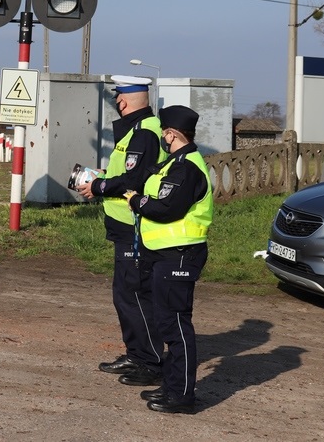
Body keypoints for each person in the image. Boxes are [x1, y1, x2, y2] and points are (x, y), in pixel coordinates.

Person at [75, 75, 166, 387]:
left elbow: (132, 181)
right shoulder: (143, 131)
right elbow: (128, 173)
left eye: (117, 98)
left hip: (135, 228)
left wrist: (98, 186)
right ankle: (138, 354)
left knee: (135, 295)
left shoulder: (143, 134)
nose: (117, 102)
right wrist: (103, 176)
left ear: (122, 101)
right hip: (128, 226)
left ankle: (149, 363)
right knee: (127, 294)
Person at [124, 104, 212, 415]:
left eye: (164, 133)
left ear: (172, 134)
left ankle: (182, 397)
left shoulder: (186, 168)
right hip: (167, 255)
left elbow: (164, 208)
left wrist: (136, 201)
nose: (162, 137)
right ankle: (173, 386)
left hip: (179, 256)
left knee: (176, 326)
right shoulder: (175, 163)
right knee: (167, 323)